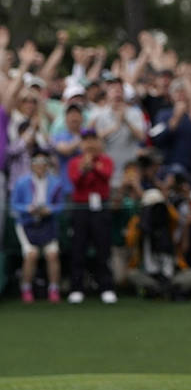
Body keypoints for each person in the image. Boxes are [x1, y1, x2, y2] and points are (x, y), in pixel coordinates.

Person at [66, 129, 118, 304]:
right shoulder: (75, 162)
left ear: (98, 142)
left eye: (92, 139)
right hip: (80, 209)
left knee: (103, 248)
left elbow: (106, 177)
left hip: (100, 208)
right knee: (78, 248)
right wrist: (83, 169)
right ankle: (76, 288)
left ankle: (106, 287)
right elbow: (75, 181)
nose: (89, 144)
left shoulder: (105, 161)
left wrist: (93, 167)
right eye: (85, 140)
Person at [12, 150, 64, 303]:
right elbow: (15, 204)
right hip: (27, 223)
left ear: (47, 165)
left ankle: (54, 288)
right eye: (37, 163)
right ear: (32, 165)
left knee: (52, 254)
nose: (40, 167)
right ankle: (26, 288)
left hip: (48, 223)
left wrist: (50, 210)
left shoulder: (56, 182)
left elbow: (60, 206)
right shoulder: (22, 183)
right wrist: (28, 208)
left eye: (43, 164)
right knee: (31, 255)